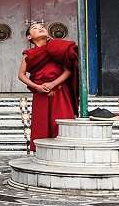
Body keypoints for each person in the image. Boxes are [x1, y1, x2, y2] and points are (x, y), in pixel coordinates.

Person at [18, 23, 78, 152]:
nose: (40, 28)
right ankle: (43, 152)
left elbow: (68, 71)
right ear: (29, 37)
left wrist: (53, 83)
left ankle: (65, 151)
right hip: (41, 93)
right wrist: (36, 86)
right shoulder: (29, 54)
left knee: (61, 122)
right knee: (42, 124)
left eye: (42, 27)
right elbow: (21, 75)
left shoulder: (58, 49)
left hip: (60, 91)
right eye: (35, 28)